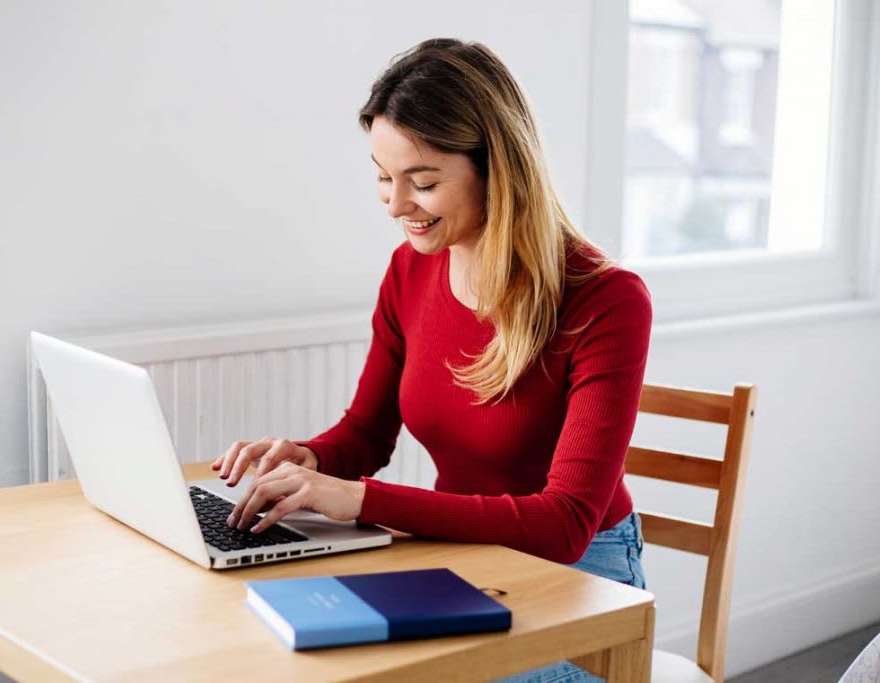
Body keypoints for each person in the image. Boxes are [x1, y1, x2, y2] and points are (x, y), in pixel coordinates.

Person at [211, 38, 651, 683]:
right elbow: (364, 435)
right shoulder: (410, 271)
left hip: (580, 580)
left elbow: (564, 525)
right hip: (463, 560)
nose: (395, 205)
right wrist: (309, 461)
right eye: (383, 178)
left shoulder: (605, 299)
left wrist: (358, 499)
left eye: (423, 182)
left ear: (497, 169)